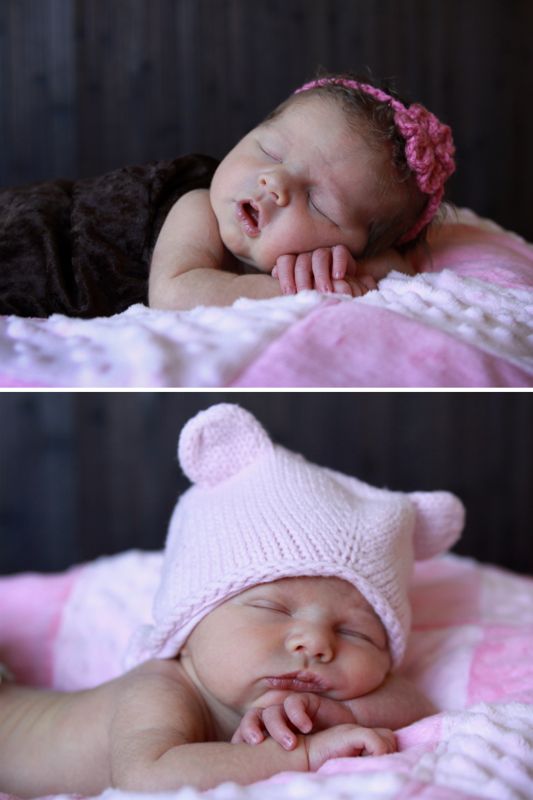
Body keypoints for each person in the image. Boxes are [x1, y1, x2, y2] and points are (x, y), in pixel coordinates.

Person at [0, 403, 464, 796]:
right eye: (272, 608)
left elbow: (415, 705)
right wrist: (300, 755)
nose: (315, 642)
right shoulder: (163, 689)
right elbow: (145, 779)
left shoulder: (317, 695)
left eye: (356, 632)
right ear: (188, 627)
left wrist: (344, 713)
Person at [0, 73, 455, 318]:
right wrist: (292, 291)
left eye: (318, 203)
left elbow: (397, 266)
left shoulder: (342, 250)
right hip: (28, 238)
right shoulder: (197, 206)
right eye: (270, 149)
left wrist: (355, 269)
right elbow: (174, 295)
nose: (274, 183)